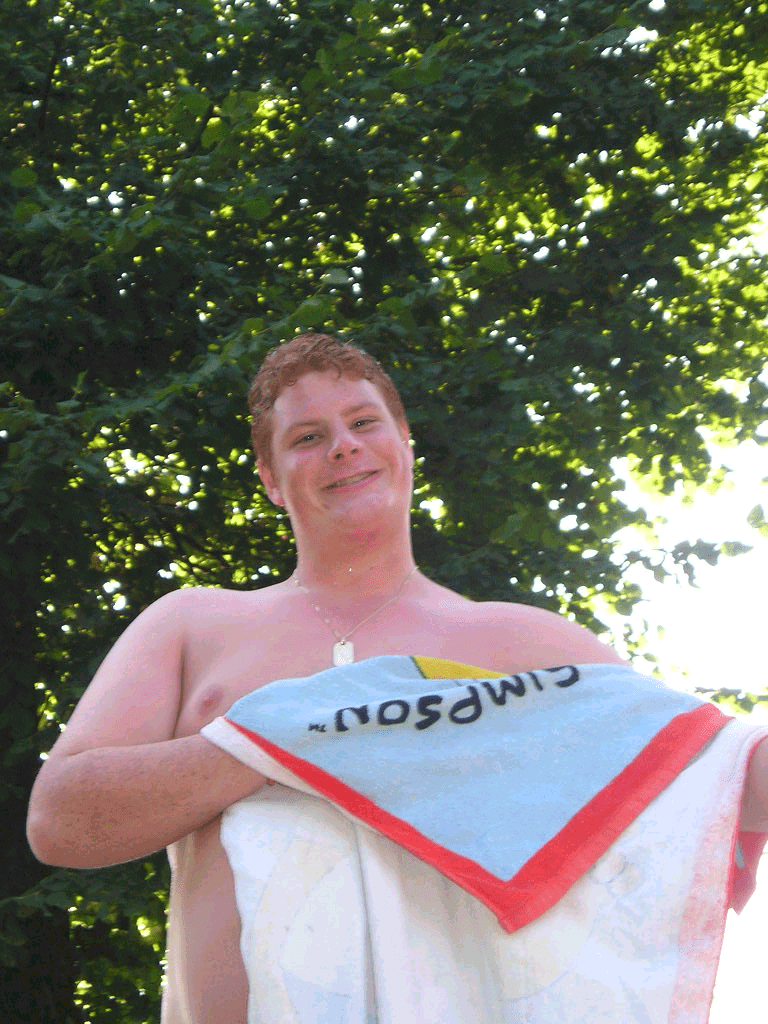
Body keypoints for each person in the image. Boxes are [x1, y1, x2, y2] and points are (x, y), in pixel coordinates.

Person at [27, 333, 768, 1024]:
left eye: (363, 423)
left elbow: (703, 778)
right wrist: (294, 739)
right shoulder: (192, 626)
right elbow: (59, 819)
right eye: (307, 437)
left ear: (404, 444)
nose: (343, 447)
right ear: (272, 481)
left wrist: (341, 733)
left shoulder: (526, 646)